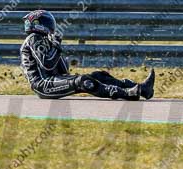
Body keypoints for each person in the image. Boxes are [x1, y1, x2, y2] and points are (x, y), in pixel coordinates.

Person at [20, 10, 155, 101]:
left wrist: (55, 47)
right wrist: (55, 45)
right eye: (47, 22)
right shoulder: (33, 38)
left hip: (53, 80)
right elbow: (47, 64)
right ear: (38, 24)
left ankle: (142, 89)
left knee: (97, 75)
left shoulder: (44, 41)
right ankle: (126, 93)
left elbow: (63, 71)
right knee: (83, 81)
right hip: (43, 85)